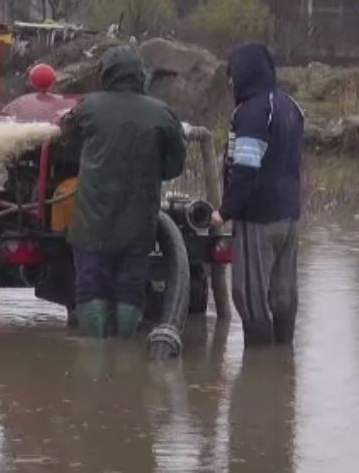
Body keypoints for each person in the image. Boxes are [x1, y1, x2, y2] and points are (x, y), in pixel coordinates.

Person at [60, 45, 186, 338]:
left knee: (91, 287)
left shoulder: (88, 106)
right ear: (140, 76)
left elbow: (66, 137)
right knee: (130, 290)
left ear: (107, 75)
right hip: (138, 228)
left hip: (92, 227)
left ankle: (96, 363)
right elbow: (174, 167)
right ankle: (124, 359)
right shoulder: (163, 114)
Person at [211, 43, 303, 346]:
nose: (230, 83)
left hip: (258, 219)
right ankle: (283, 362)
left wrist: (224, 212)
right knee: (283, 293)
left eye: (232, 75)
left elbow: (246, 171)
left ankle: (259, 373)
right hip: (289, 217)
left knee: (249, 297)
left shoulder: (252, 113)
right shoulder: (289, 105)